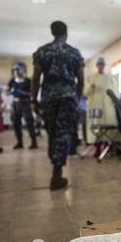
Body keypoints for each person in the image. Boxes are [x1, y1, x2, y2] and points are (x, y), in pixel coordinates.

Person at [32, 21, 85, 190]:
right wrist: (75, 99)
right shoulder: (74, 53)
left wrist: (34, 99)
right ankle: (56, 174)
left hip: (48, 98)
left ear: (52, 32)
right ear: (66, 33)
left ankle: (56, 171)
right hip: (67, 98)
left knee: (52, 132)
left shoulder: (42, 51)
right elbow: (81, 80)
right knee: (62, 134)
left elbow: (36, 78)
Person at [83, 57, 119, 156]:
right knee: (96, 128)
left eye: (102, 65)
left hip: (107, 107)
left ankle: (108, 147)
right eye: (99, 65)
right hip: (95, 107)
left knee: (108, 127)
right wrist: (90, 86)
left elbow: (115, 92)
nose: (101, 66)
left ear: (104, 66)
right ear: (97, 66)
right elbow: (85, 92)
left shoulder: (110, 77)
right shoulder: (91, 77)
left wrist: (115, 100)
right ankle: (97, 148)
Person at [5, 63, 37, 150]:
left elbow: (32, 93)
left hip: (25, 103)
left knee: (29, 123)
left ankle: (34, 142)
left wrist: (23, 93)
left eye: (18, 71)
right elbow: (6, 92)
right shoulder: (12, 81)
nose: (16, 73)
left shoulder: (28, 81)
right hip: (15, 104)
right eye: (15, 71)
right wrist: (11, 91)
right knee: (16, 124)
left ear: (23, 71)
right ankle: (19, 143)